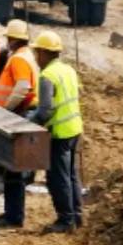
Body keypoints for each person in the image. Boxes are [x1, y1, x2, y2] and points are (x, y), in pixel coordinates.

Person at [30, 31, 84, 233]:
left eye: (37, 53)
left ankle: (65, 220)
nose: (36, 58)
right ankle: (77, 216)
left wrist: (27, 123)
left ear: (44, 53)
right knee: (71, 175)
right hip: (74, 129)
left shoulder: (47, 76)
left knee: (58, 178)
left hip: (59, 133)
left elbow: (45, 111)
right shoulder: (68, 70)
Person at [0, 19, 39, 228]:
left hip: (18, 113)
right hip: (21, 113)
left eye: (9, 38)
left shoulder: (19, 59)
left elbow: (23, 87)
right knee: (12, 167)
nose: (8, 42)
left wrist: (6, 109)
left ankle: (14, 216)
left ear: (14, 40)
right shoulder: (27, 55)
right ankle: (11, 213)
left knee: (13, 167)